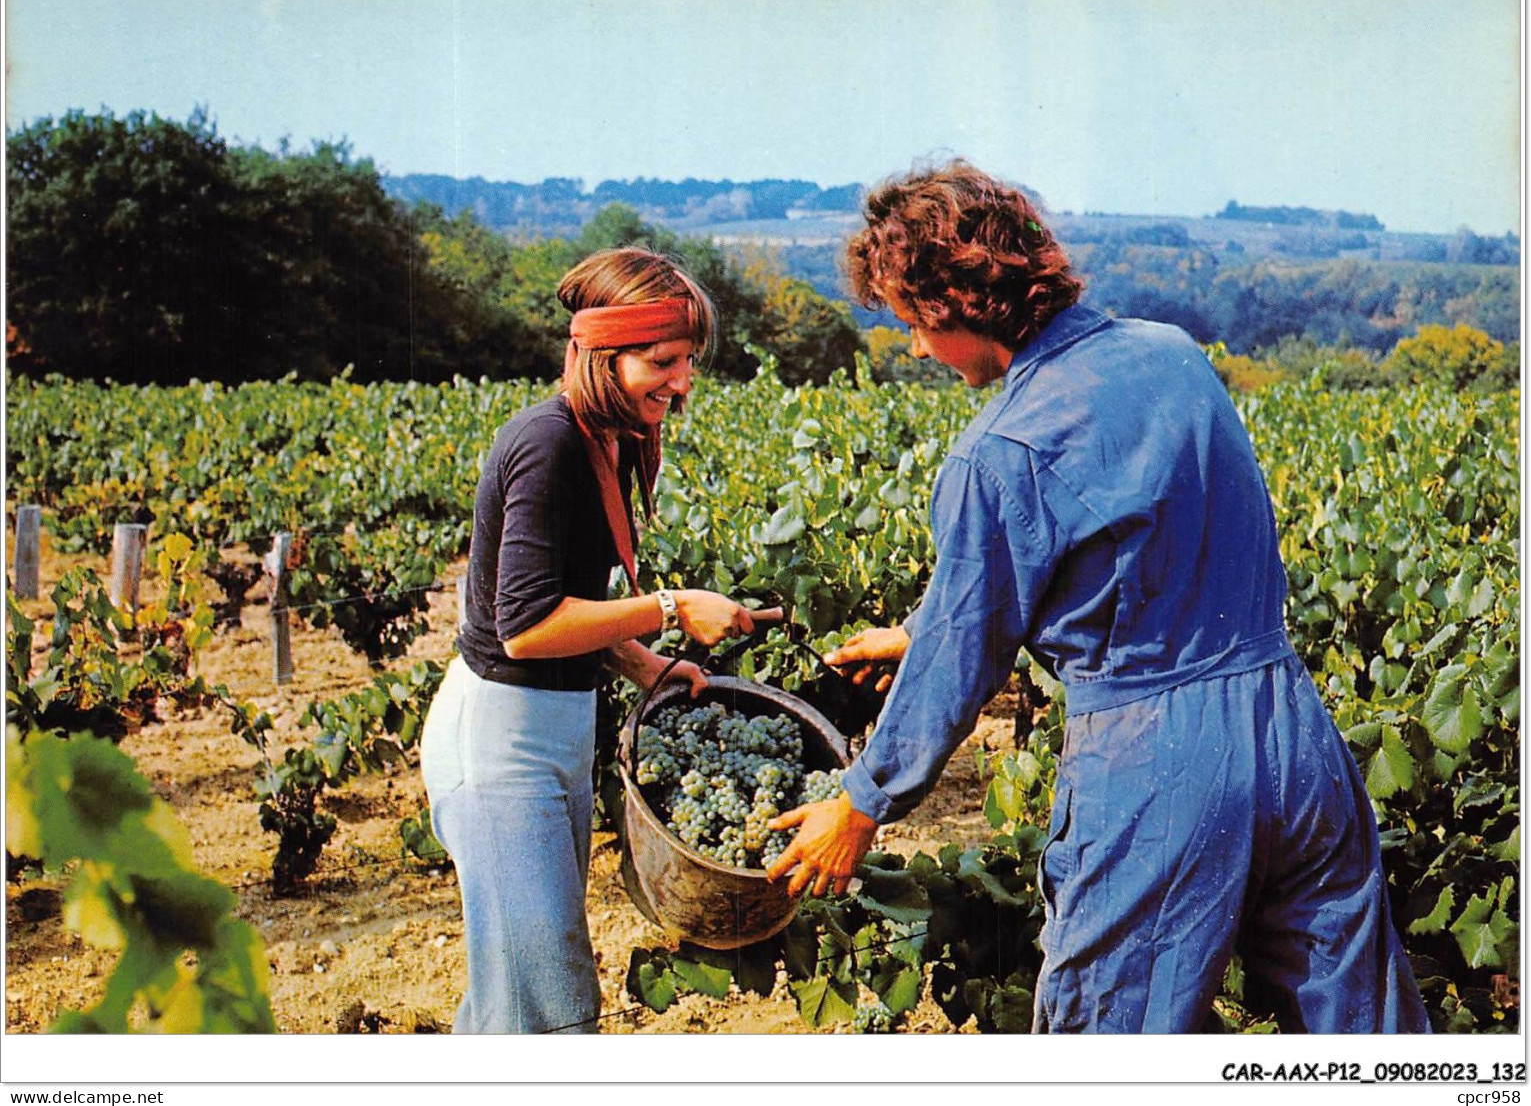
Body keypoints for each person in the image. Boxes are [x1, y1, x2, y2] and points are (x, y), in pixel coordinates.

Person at [766, 161, 1429, 1034]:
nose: (918, 350)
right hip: (1294, 737)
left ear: (957, 302)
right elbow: (1134, 546)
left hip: (1158, 765)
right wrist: (918, 630)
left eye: (914, 325)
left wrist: (860, 804)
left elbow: (965, 661)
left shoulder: (997, 449)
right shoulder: (1176, 355)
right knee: (1362, 1038)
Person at [420, 247, 763, 1034]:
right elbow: (528, 624)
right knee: (545, 1008)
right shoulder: (548, 444)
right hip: (501, 745)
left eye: (688, 362)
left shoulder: (604, 435)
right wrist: (670, 607)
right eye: (663, 360)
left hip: (552, 735)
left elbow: (580, 599)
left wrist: (644, 665)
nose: (681, 382)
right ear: (604, 353)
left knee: (516, 997)